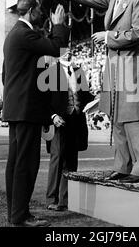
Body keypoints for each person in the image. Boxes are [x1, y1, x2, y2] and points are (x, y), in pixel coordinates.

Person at [51, 0, 139, 183]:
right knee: (116, 116)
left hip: (129, 65)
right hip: (114, 66)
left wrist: (107, 37)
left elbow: (137, 33)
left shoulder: (138, 0)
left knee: (133, 119)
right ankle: (123, 165)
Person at [2, 0, 69, 227]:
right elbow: (58, 48)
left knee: (16, 163)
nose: (42, 14)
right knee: (26, 165)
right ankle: (20, 216)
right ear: (31, 11)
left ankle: (16, 214)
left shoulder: (15, 34)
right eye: (39, 10)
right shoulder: (24, 34)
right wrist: (59, 24)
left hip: (17, 108)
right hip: (26, 110)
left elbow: (5, 76)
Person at [46, 51, 94, 211]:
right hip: (59, 121)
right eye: (63, 49)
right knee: (57, 158)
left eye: (69, 49)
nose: (67, 52)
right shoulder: (51, 72)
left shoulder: (79, 71)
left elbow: (86, 96)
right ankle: (52, 198)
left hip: (76, 121)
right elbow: (43, 99)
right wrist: (52, 116)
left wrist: (99, 100)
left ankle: (64, 201)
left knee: (71, 162)